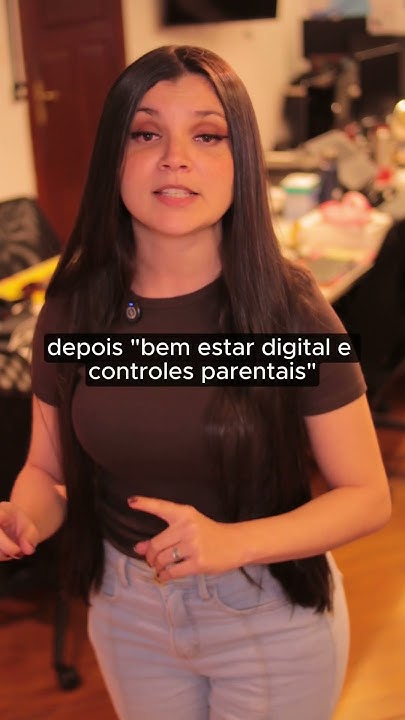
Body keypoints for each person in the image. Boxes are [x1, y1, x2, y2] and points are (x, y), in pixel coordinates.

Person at [0, 45, 391, 720]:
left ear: (242, 161)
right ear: (114, 159)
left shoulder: (285, 311)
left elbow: (366, 497)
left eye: (207, 136)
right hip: (126, 613)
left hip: (266, 613)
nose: (174, 158)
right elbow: (47, 470)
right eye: (145, 134)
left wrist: (233, 542)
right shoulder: (75, 304)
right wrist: (24, 517)